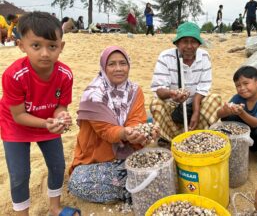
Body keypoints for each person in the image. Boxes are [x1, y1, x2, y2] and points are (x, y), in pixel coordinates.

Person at [0, 11, 80, 216]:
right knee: (19, 174)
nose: (45, 53)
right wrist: (47, 123)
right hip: (15, 124)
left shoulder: (65, 74)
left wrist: (61, 116)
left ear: (61, 47)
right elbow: (18, 116)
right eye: (36, 45)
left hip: (47, 120)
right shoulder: (13, 75)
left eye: (52, 46)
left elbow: (61, 106)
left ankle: (55, 207)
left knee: (57, 166)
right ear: (21, 46)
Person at [68, 46, 159, 203]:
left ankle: (134, 185)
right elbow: (107, 132)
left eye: (123, 63)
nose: (118, 69)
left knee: (149, 125)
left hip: (128, 153)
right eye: (112, 64)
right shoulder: (93, 95)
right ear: (104, 67)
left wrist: (141, 133)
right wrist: (125, 133)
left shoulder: (135, 90)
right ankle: (132, 187)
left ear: (128, 65)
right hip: (98, 159)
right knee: (77, 182)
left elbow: (136, 120)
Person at [150, 22, 221, 142]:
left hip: (195, 103)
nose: (189, 46)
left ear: (199, 44)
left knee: (215, 99)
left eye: (193, 41)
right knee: (156, 104)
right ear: (177, 43)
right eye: (184, 41)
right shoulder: (165, 57)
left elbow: (203, 87)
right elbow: (159, 90)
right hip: (173, 105)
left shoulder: (204, 57)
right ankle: (169, 140)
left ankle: (199, 136)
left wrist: (196, 111)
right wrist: (172, 94)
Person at [217, 66, 257, 171]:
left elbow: (256, 123)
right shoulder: (237, 98)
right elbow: (219, 115)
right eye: (238, 85)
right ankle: (239, 147)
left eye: (246, 83)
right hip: (242, 139)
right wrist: (225, 110)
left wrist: (241, 113)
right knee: (227, 118)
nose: (242, 88)